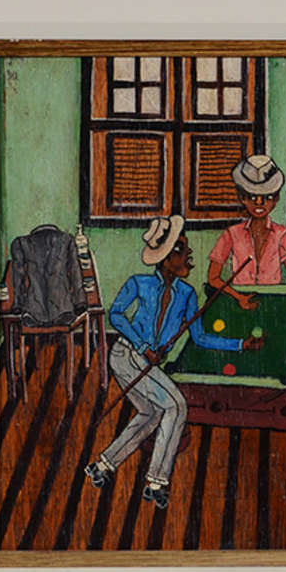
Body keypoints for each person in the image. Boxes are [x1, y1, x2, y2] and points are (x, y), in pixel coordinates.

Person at [86, 216, 262, 508]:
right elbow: (115, 314)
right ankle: (156, 482)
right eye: (180, 249)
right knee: (176, 405)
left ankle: (102, 465)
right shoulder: (139, 283)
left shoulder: (187, 294)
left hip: (146, 363)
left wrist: (241, 344)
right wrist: (143, 347)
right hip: (126, 355)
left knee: (152, 413)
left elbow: (200, 337)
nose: (188, 254)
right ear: (165, 258)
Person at [207, 154, 286, 310]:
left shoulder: (282, 234)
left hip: (272, 301)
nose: (259, 203)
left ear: (276, 199)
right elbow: (213, 277)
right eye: (252, 197)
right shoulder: (231, 233)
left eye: (267, 197)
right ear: (242, 198)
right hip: (239, 301)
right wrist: (238, 296)